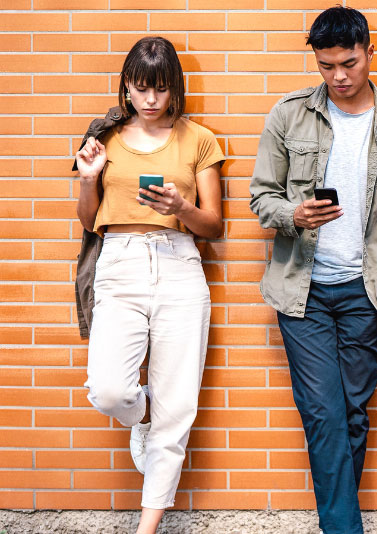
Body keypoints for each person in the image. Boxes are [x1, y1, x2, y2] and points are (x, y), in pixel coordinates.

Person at [248, 6, 377, 534]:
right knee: (325, 415)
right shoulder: (288, 116)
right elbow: (261, 196)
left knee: (352, 416)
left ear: (370, 52)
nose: (338, 75)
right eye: (326, 65)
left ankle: (338, 523)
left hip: (365, 294)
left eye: (349, 62)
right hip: (301, 292)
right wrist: (293, 214)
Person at [74, 36, 224, 534]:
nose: (152, 100)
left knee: (178, 408)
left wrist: (180, 208)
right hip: (119, 265)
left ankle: (147, 527)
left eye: (161, 89)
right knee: (110, 391)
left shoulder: (199, 139)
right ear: (127, 88)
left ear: (174, 88)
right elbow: (88, 220)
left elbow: (214, 226)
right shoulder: (105, 139)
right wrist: (87, 178)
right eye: (142, 89)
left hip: (181, 266)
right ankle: (141, 416)